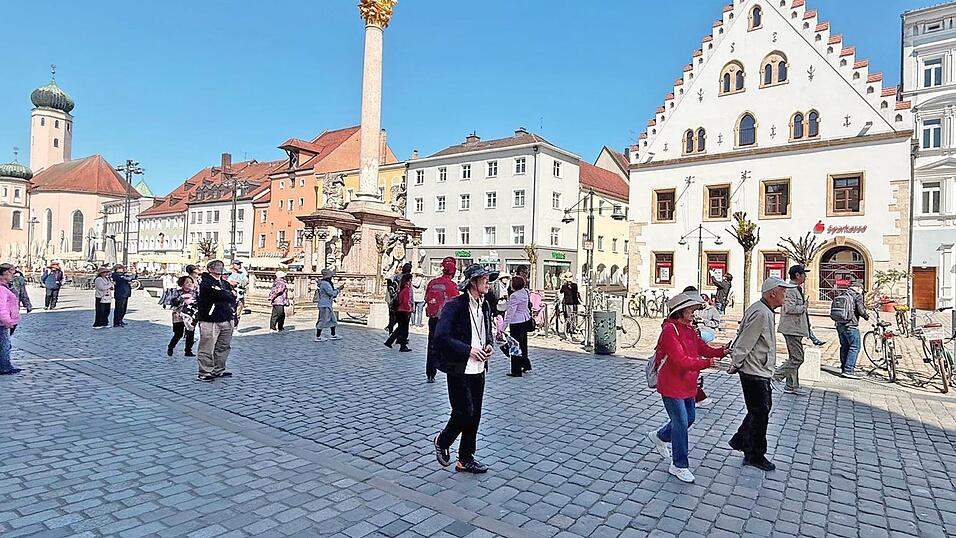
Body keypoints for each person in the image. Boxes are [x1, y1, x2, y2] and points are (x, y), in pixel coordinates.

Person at [646, 291, 727, 483]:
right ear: (681, 311)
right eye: (691, 310)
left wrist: (723, 351)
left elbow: (702, 348)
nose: (694, 313)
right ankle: (679, 465)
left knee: (689, 418)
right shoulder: (669, 331)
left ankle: (659, 436)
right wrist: (707, 363)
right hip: (672, 384)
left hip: (688, 383)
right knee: (681, 422)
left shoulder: (690, 329)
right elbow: (681, 360)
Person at [433, 264, 497, 474]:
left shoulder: (485, 305)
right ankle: (443, 441)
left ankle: (466, 458)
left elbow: (487, 332)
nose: (488, 282)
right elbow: (441, 337)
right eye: (484, 279)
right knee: (463, 412)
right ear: (472, 283)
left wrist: (488, 345)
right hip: (459, 367)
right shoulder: (455, 306)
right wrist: (468, 350)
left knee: (475, 414)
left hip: (479, 368)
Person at [728, 276, 796, 472]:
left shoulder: (763, 310)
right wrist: (736, 363)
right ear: (772, 293)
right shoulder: (761, 313)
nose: (785, 295)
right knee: (760, 412)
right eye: (783, 291)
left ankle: (741, 440)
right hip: (754, 370)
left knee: (759, 410)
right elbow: (745, 340)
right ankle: (755, 454)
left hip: (758, 368)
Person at [195, 259, 237, 382]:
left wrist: (228, 294)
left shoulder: (224, 283)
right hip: (210, 319)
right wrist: (229, 294)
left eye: (221, 266)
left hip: (226, 317)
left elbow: (232, 296)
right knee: (207, 346)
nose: (220, 268)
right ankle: (205, 372)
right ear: (210, 269)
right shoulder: (206, 282)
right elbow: (219, 295)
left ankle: (219, 370)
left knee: (223, 346)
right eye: (217, 266)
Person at [773, 265, 812, 394]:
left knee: (793, 357)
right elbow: (789, 308)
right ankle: (776, 376)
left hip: (796, 328)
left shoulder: (796, 288)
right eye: (803, 274)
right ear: (797, 275)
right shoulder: (790, 289)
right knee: (797, 358)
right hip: (791, 328)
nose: (805, 277)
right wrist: (803, 307)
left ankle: (791, 385)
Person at [424, 257, 459, 383]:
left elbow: (426, 298)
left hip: (433, 318)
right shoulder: (452, 286)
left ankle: (430, 373)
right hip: (446, 321)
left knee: (431, 345)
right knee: (449, 346)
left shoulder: (432, 282)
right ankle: (450, 370)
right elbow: (456, 304)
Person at [832, 278, 869, 379]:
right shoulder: (857, 296)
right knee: (854, 346)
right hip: (851, 325)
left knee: (844, 346)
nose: (862, 291)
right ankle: (848, 370)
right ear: (858, 288)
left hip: (839, 324)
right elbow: (861, 310)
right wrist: (866, 316)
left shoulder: (842, 293)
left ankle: (844, 368)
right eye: (861, 289)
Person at [502, 275, 533, 377]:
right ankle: (525, 364)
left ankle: (516, 370)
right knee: (523, 344)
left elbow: (510, 313)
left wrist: (503, 327)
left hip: (516, 322)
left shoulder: (514, 296)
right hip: (525, 319)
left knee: (514, 346)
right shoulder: (525, 292)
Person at [0, 264, 22, 375]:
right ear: (3, 275)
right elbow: (1, 308)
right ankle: (5, 367)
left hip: (5, 321)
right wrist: (7, 321)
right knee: (4, 345)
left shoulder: (5, 287)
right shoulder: (1, 289)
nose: (12, 275)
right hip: (3, 323)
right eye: (10, 272)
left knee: (4, 344)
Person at [167, 275, 197, 357]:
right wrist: (182, 299)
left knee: (190, 332)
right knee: (178, 333)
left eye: (191, 282)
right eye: (187, 282)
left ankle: (188, 351)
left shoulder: (194, 293)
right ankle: (171, 347)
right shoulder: (177, 292)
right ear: (182, 283)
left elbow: (198, 302)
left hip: (190, 315)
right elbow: (173, 302)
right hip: (178, 315)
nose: (189, 284)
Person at [385, 273, 413, 352]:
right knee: (404, 329)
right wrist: (410, 308)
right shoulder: (407, 289)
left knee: (400, 328)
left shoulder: (400, 288)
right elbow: (405, 301)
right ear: (408, 281)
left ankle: (389, 341)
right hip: (405, 311)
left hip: (399, 310)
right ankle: (403, 346)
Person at [315, 268, 341, 342]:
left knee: (333, 320)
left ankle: (333, 334)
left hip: (327, 304)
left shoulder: (324, 283)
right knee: (322, 320)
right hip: (324, 304)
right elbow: (331, 293)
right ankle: (318, 336)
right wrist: (338, 289)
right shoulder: (325, 284)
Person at [225, 259, 249, 327]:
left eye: (239, 264)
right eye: (237, 264)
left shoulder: (242, 274)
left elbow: (246, 281)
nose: (239, 266)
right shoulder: (228, 273)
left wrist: (240, 283)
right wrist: (230, 282)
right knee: (230, 311)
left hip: (240, 295)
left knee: (238, 312)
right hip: (231, 295)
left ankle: (235, 327)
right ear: (233, 265)